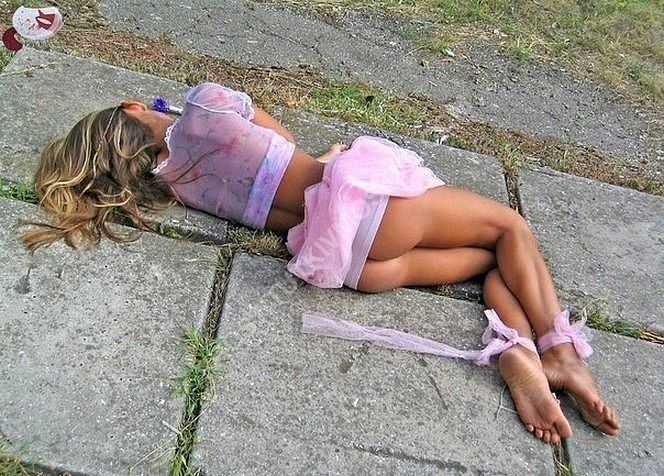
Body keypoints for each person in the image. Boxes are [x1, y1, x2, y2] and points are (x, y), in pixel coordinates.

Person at [23, 82, 619, 444]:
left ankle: (518, 348)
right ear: (135, 106)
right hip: (372, 211)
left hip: (348, 265)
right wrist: (331, 157)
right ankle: (562, 352)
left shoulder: (174, 188)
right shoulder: (203, 104)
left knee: (492, 264)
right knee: (511, 229)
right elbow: (283, 144)